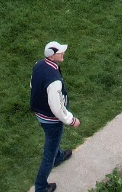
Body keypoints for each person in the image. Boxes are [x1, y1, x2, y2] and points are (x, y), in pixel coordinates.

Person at [30, 42, 79, 192]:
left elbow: (33, 85)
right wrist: (71, 120)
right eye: (60, 52)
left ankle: (58, 157)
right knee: (48, 153)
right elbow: (57, 107)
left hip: (40, 113)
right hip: (52, 120)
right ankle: (40, 186)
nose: (63, 53)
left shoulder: (39, 65)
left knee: (54, 141)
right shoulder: (54, 80)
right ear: (52, 55)